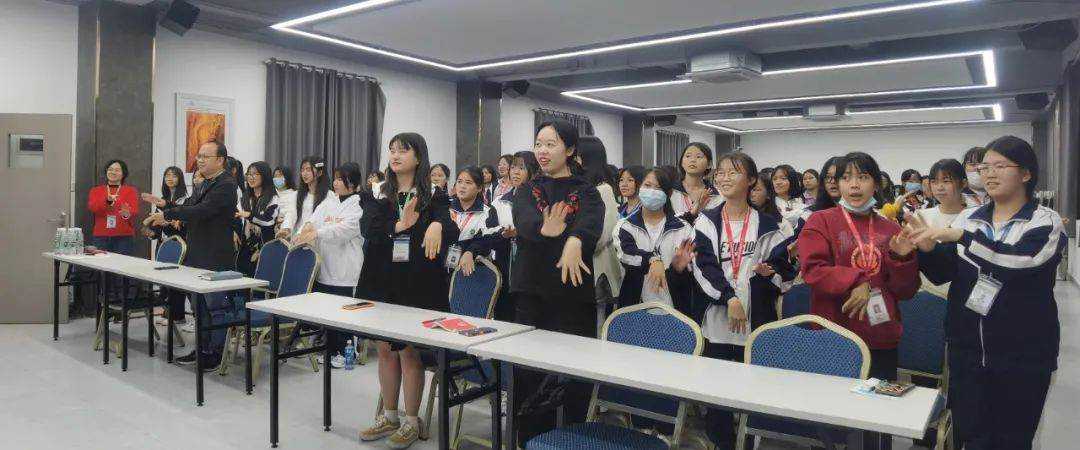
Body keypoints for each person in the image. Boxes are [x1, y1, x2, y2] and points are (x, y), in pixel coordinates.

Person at [908, 136, 1065, 450]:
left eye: (1000, 166)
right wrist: (926, 250)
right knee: (970, 434)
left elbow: (1021, 262)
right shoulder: (970, 218)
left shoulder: (1044, 221)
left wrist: (965, 238)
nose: (989, 174)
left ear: (1026, 173)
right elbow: (944, 272)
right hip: (967, 351)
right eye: (984, 168)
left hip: (1023, 353)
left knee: (1012, 438)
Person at [355, 133, 457, 449]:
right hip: (381, 277)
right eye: (392, 150)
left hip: (416, 282)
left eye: (403, 150)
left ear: (418, 157)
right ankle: (389, 416)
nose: (395, 155)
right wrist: (399, 226)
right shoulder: (377, 191)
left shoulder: (434, 194)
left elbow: (450, 227)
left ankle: (412, 420)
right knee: (385, 349)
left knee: (409, 351)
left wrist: (437, 225)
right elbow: (369, 229)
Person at [693, 152, 795, 450]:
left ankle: (750, 441)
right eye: (721, 172)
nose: (724, 178)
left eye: (733, 172)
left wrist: (769, 272)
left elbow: (785, 271)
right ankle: (722, 442)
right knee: (717, 391)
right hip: (718, 319)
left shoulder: (769, 225)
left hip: (756, 318)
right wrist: (729, 298)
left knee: (754, 388)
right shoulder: (707, 221)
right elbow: (703, 266)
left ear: (751, 180)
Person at [511, 120, 603, 446]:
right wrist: (543, 229)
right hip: (532, 293)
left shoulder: (586, 191)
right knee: (529, 375)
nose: (542, 150)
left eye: (550, 144)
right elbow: (524, 220)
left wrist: (575, 240)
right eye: (539, 143)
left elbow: (590, 223)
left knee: (574, 373)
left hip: (571, 295)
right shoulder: (527, 189)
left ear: (570, 149)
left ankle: (572, 438)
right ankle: (531, 441)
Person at [798, 152, 920, 383]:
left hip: (880, 333)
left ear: (876, 184)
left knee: (876, 402)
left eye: (862, 177)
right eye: (846, 178)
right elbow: (813, 270)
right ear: (838, 184)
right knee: (830, 401)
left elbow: (906, 291)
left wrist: (901, 258)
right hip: (833, 332)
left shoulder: (892, 230)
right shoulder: (821, 221)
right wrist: (856, 280)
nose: (854, 185)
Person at [146, 141, 238, 370]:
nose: (200, 160)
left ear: (220, 160)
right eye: (198, 156)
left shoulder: (226, 184)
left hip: (215, 256)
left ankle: (215, 353)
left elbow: (202, 210)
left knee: (215, 308)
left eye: (206, 156)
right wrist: (166, 205)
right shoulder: (204, 182)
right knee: (199, 307)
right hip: (197, 254)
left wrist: (168, 214)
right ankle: (202, 349)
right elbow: (189, 205)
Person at [292, 163, 365, 368]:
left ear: (354, 183)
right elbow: (311, 221)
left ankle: (348, 353)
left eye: (342, 180)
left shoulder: (359, 204)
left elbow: (345, 230)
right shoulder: (328, 202)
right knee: (329, 315)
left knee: (346, 316)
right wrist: (305, 230)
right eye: (336, 179)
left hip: (346, 271)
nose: (337, 183)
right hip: (325, 268)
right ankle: (332, 350)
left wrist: (317, 233)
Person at [615, 168, 695, 314]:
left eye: (658, 187)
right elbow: (625, 253)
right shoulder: (626, 225)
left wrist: (677, 269)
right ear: (639, 188)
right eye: (647, 185)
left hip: (675, 309)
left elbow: (691, 268)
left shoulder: (683, 228)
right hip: (635, 307)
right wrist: (652, 259)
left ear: (668, 193)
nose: (652, 191)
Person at [448, 166, 507, 318]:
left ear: (479, 187)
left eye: (468, 183)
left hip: (472, 274)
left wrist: (471, 251)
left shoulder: (487, 212)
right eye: (459, 181)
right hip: (444, 271)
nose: (462, 186)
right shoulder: (445, 209)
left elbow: (487, 240)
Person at [578, 136, 623, 316]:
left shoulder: (603, 189)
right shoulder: (577, 186)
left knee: (597, 317)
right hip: (577, 263)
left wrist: (575, 247)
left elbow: (604, 233)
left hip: (595, 263)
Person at [141, 166, 189, 326]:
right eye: (167, 175)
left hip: (178, 244)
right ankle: (168, 311)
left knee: (177, 281)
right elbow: (157, 226)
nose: (170, 178)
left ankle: (178, 315)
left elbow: (182, 223)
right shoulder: (161, 199)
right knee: (164, 280)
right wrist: (150, 232)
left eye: (174, 176)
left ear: (180, 179)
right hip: (163, 244)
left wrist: (168, 221)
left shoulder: (185, 200)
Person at [88, 160, 140, 256]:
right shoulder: (96, 190)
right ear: (106, 171)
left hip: (124, 237)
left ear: (123, 174)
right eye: (110, 169)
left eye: (117, 170)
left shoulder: (130, 191)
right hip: (101, 236)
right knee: (101, 264)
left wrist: (127, 214)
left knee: (122, 264)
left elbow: (134, 211)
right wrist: (107, 201)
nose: (113, 172)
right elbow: (93, 208)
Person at [236, 162, 279, 276]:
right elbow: (235, 217)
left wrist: (250, 215)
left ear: (264, 176)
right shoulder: (245, 199)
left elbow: (268, 220)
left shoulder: (273, 199)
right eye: (249, 174)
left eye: (255, 174)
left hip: (264, 249)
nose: (251, 177)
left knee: (259, 281)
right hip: (244, 250)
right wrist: (233, 231)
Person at [279, 156, 329, 240]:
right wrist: (286, 228)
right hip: (298, 240)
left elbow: (318, 219)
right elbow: (291, 214)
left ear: (320, 172)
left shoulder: (329, 196)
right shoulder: (295, 195)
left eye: (308, 170)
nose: (304, 173)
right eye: (302, 170)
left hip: (318, 240)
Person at [670, 142, 723, 222]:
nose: (692, 160)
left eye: (698, 157)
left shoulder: (718, 196)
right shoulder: (670, 191)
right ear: (682, 163)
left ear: (709, 164)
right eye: (688, 156)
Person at [771, 164, 806, 230]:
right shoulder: (769, 204)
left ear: (792, 180)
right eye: (774, 179)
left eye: (783, 178)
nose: (778, 182)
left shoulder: (800, 203)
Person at [272, 166, 297, 232]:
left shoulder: (295, 194)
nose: (277, 178)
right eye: (275, 176)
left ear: (287, 177)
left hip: (289, 230)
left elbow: (292, 214)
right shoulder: (271, 195)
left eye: (280, 176)